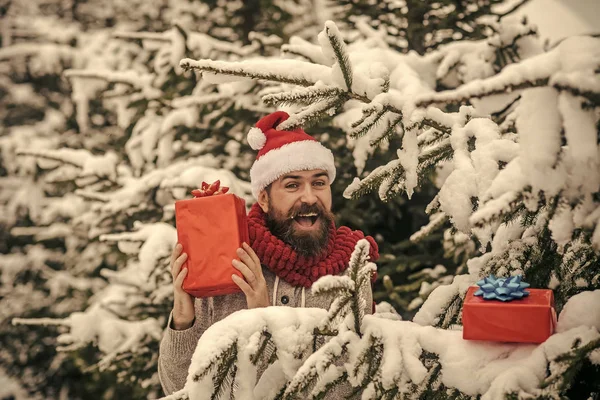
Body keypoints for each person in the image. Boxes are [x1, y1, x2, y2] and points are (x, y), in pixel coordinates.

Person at [158, 111, 379, 396]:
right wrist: (183, 319)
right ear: (263, 198)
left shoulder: (351, 269)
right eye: (292, 185)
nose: (310, 197)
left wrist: (264, 320)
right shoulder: (230, 262)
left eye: (319, 183)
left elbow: (352, 386)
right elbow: (180, 389)